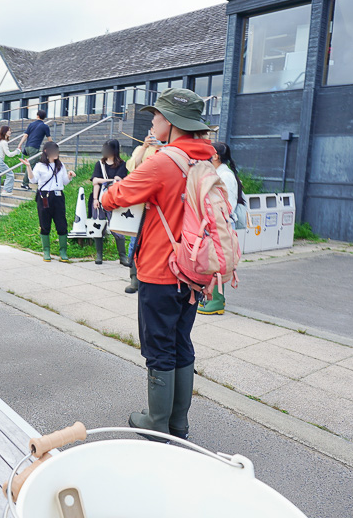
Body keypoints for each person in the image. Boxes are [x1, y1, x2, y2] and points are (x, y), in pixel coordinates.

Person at [101, 88, 216, 441]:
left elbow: (112, 198)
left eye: (157, 115)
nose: (152, 120)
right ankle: (178, 424)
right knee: (181, 341)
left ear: (171, 122)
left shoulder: (165, 161)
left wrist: (116, 186)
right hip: (194, 269)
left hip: (161, 268)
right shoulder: (206, 159)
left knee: (158, 346)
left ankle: (156, 422)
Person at [198, 141, 245, 316]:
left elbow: (226, 204)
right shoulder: (223, 173)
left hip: (220, 225)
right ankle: (216, 299)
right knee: (217, 261)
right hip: (219, 224)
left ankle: (215, 301)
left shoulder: (224, 176)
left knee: (217, 262)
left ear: (215, 156)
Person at [122, 132, 163, 294]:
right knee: (135, 239)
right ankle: (134, 278)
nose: (154, 135)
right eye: (151, 133)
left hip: (158, 204)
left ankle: (151, 277)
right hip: (140, 203)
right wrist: (145, 147)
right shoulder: (141, 149)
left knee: (154, 242)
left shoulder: (167, 151)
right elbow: (131, 167)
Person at [22, 141, 75, 262]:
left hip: (58, 197)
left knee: (62, 223)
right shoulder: (40, 166)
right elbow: (33, 180)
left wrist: (69, 175)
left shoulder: (60, 165)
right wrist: (28, 167)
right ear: (46, 151)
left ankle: (63, 251)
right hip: (44, 197)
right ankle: (46, 251)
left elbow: (64, 182)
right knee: (45, 223)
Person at [90, 139, 129, 266]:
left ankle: (122, 256)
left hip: (114, 201)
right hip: (99, 200)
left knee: (117, 228)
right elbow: (94, 182)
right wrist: (95, 199)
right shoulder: (99, 164)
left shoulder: (122, 164)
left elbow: (118, 181)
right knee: (98, 225)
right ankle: (99, 255)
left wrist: (102, 180)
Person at [17, 110, 52, 190]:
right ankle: (24, 183)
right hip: (34, 148)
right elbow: (49, 139)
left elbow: (25, 135)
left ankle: (36, 178)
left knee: (40, 161)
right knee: (31, 165)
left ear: (37, 116)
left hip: (28, 147)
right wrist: (53, 146)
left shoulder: (31, 124)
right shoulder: (45, 126)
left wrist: (20, 144)